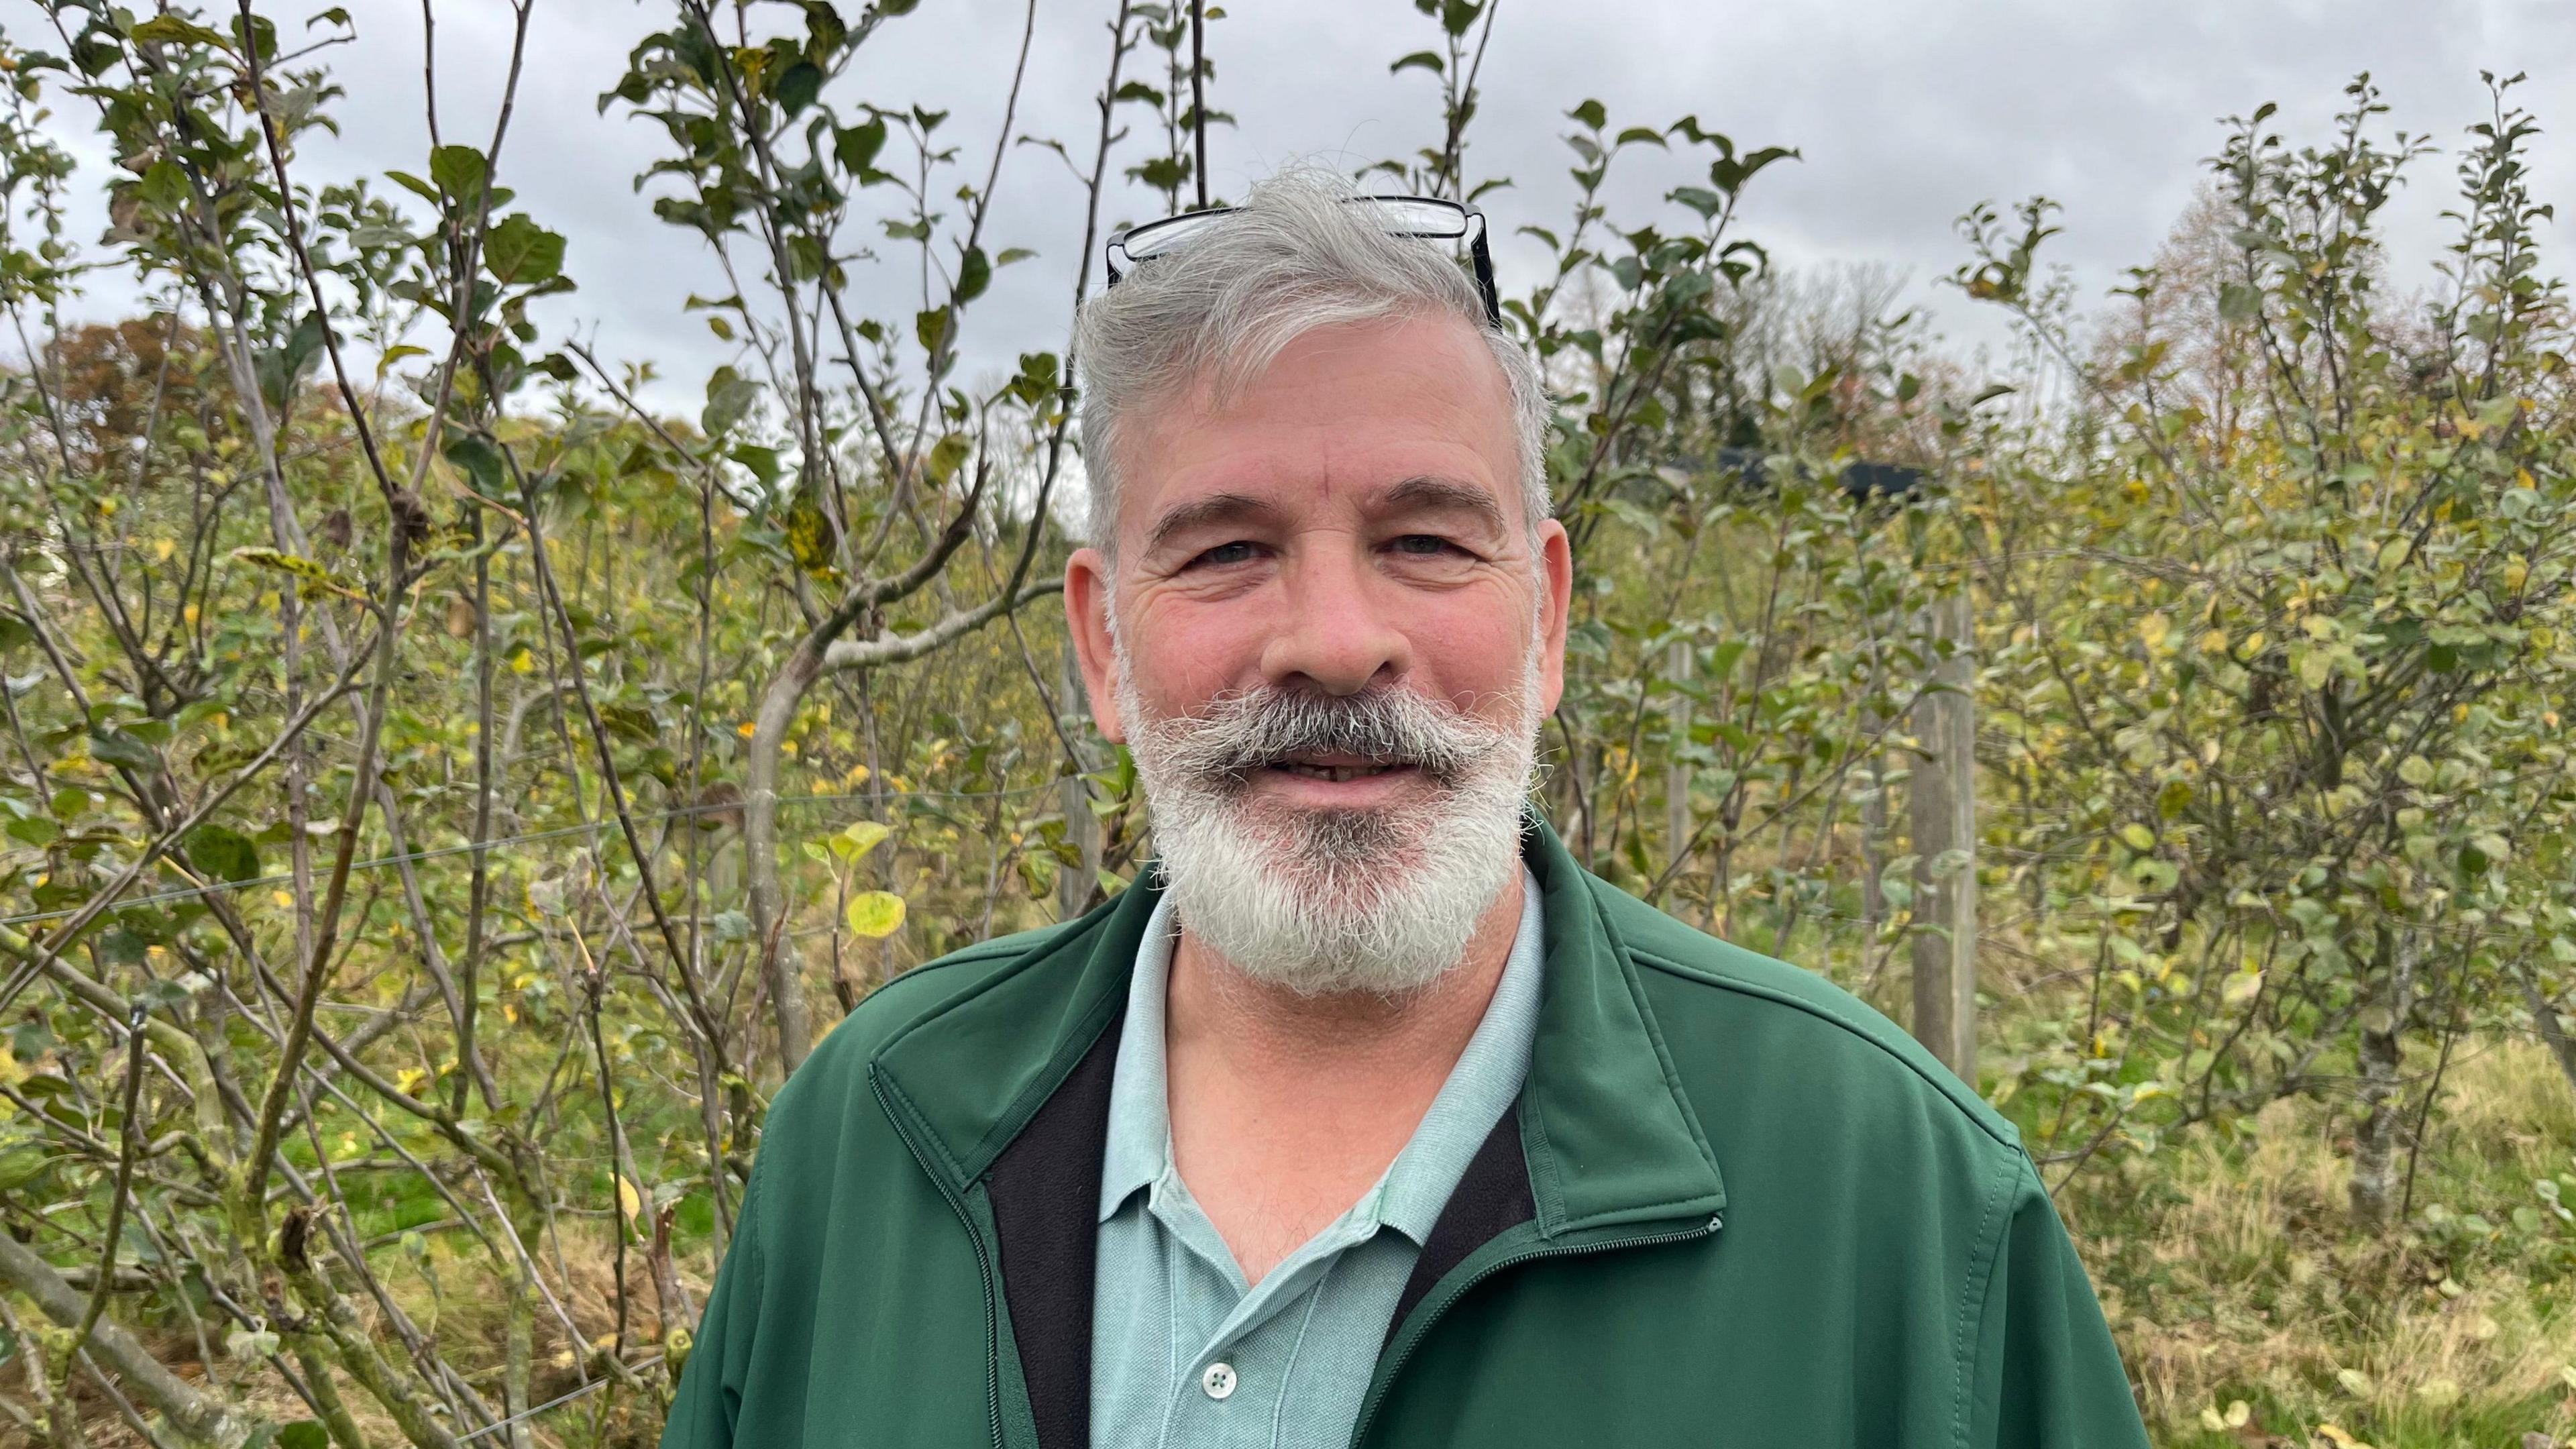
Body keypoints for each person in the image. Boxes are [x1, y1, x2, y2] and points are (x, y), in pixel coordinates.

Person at [661, 167, 2151, 1449]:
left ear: (1550, 620)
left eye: (1427, 539)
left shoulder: (1903, 1206)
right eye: (1227, 551)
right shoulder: (867, 1141)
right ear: (1103, 642)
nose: (1333, 636)